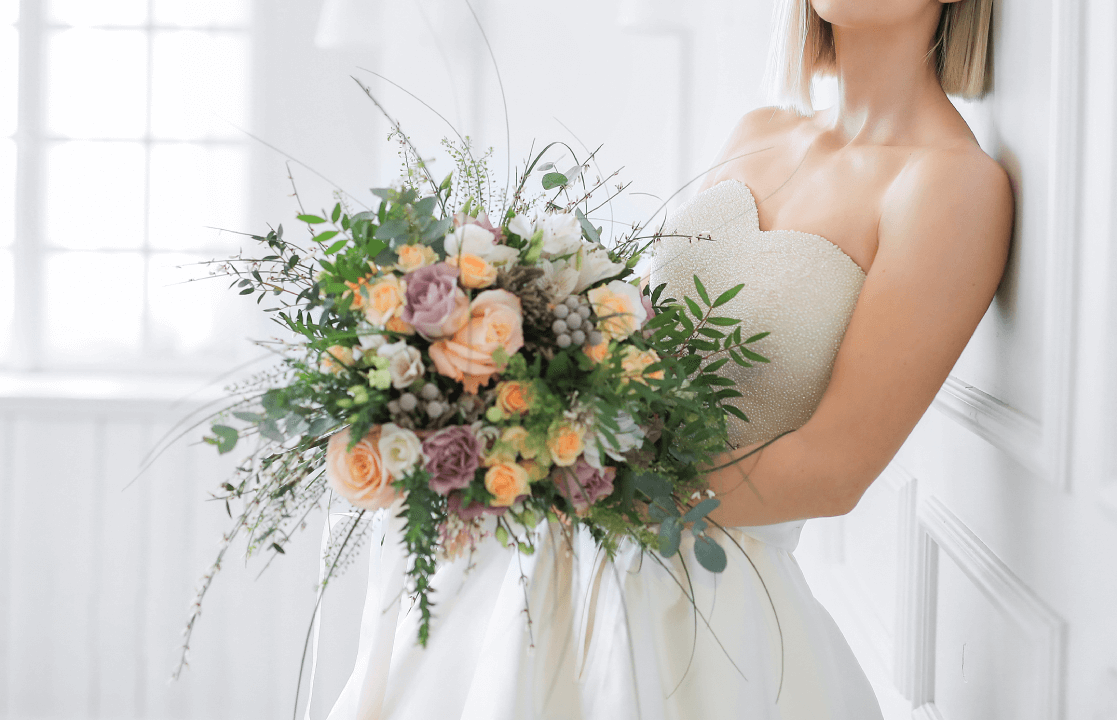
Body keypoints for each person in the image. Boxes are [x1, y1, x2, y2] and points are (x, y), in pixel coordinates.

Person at [325, 0, 1010, 717]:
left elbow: (833, 470)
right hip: (548, 556)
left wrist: (584, 485)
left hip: (692, 608)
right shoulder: (761, 132)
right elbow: (639, 344)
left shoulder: (951, 186)